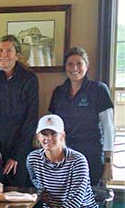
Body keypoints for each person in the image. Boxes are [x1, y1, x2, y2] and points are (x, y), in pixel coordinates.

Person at [27, 114, 102, 208]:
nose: (48, 138)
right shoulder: (33, 160)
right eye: (44, 134)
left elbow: (75, 202)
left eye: (53, 133)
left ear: (62, 135)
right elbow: (40, 189)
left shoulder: (78, 160)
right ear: (38, 136)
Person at [0, 34, 39, 187]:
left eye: (9, 51)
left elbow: (31, 119)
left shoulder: (29, 79)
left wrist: (16, 155)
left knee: (19, 196)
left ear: (17, 55)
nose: (3, 55)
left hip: (20, 150)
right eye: (0, 50)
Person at [49, 47, 114, 186]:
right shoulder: (58, 92)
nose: (74, 68)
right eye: (70, 64)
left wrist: (108, 163)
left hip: (91, 156)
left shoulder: (99, 90)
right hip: (64, 157)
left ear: (87, 66)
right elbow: (52, 128)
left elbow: (108, 129)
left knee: (88, 201)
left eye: (79, 63)